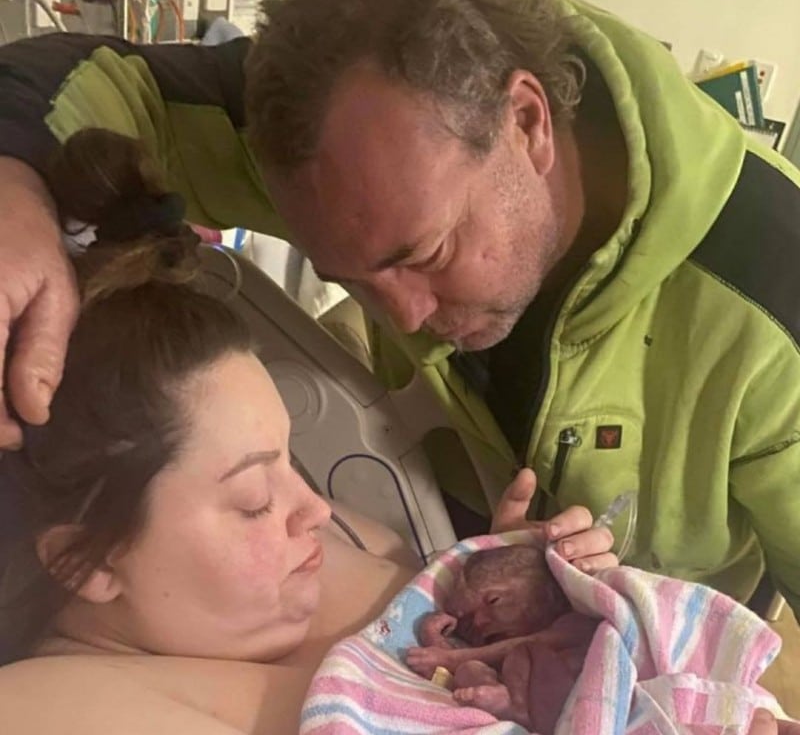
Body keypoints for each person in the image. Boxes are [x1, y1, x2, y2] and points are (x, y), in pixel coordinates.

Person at [0, 0, 799, 635]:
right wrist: (16, 188)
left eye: (427, 252)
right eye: (351, 277)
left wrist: (630, 629)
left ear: (527, 121)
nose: (406, 317)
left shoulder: (775, 289)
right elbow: (71, 81)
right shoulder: (334, 141)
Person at [0, 128, 621, 734]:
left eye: (289, 462)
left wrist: (503, 589)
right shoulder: (46, 708)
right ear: (89, 563)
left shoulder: (302, 559)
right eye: (253, 503)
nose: (316, 508)